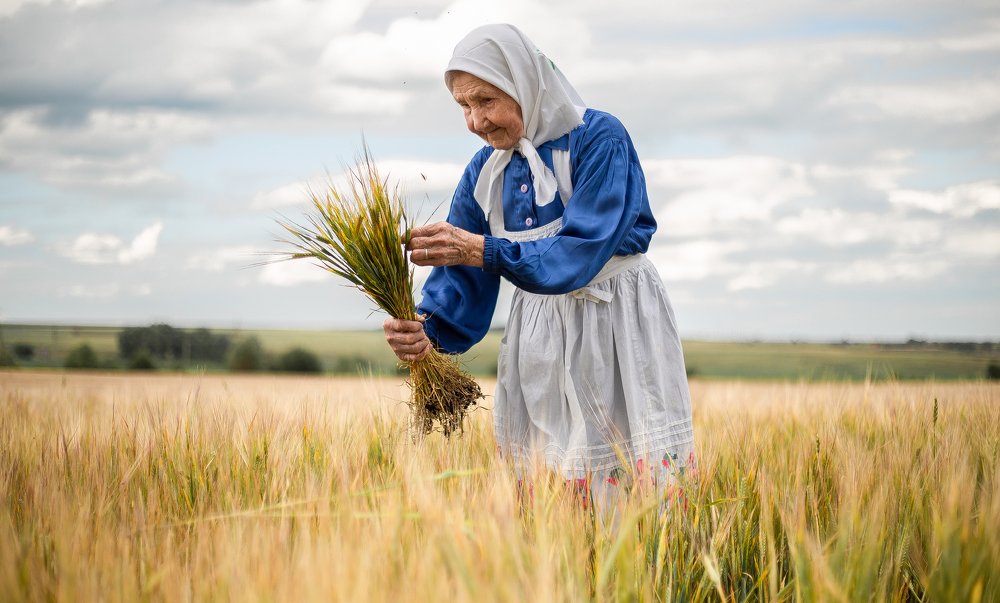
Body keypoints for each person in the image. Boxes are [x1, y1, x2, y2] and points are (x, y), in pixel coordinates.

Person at [383, 23, 695, 510]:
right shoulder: (484, 172)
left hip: (613, 321)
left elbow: (580, 252)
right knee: (550, 489)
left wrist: (482, 250)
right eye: (464, 106)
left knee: (631, 485)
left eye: (485, 100)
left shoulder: (600, 138)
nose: (475, 121)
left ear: (525, 82)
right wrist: (426, 331)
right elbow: (462, 279)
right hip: (538, 335)